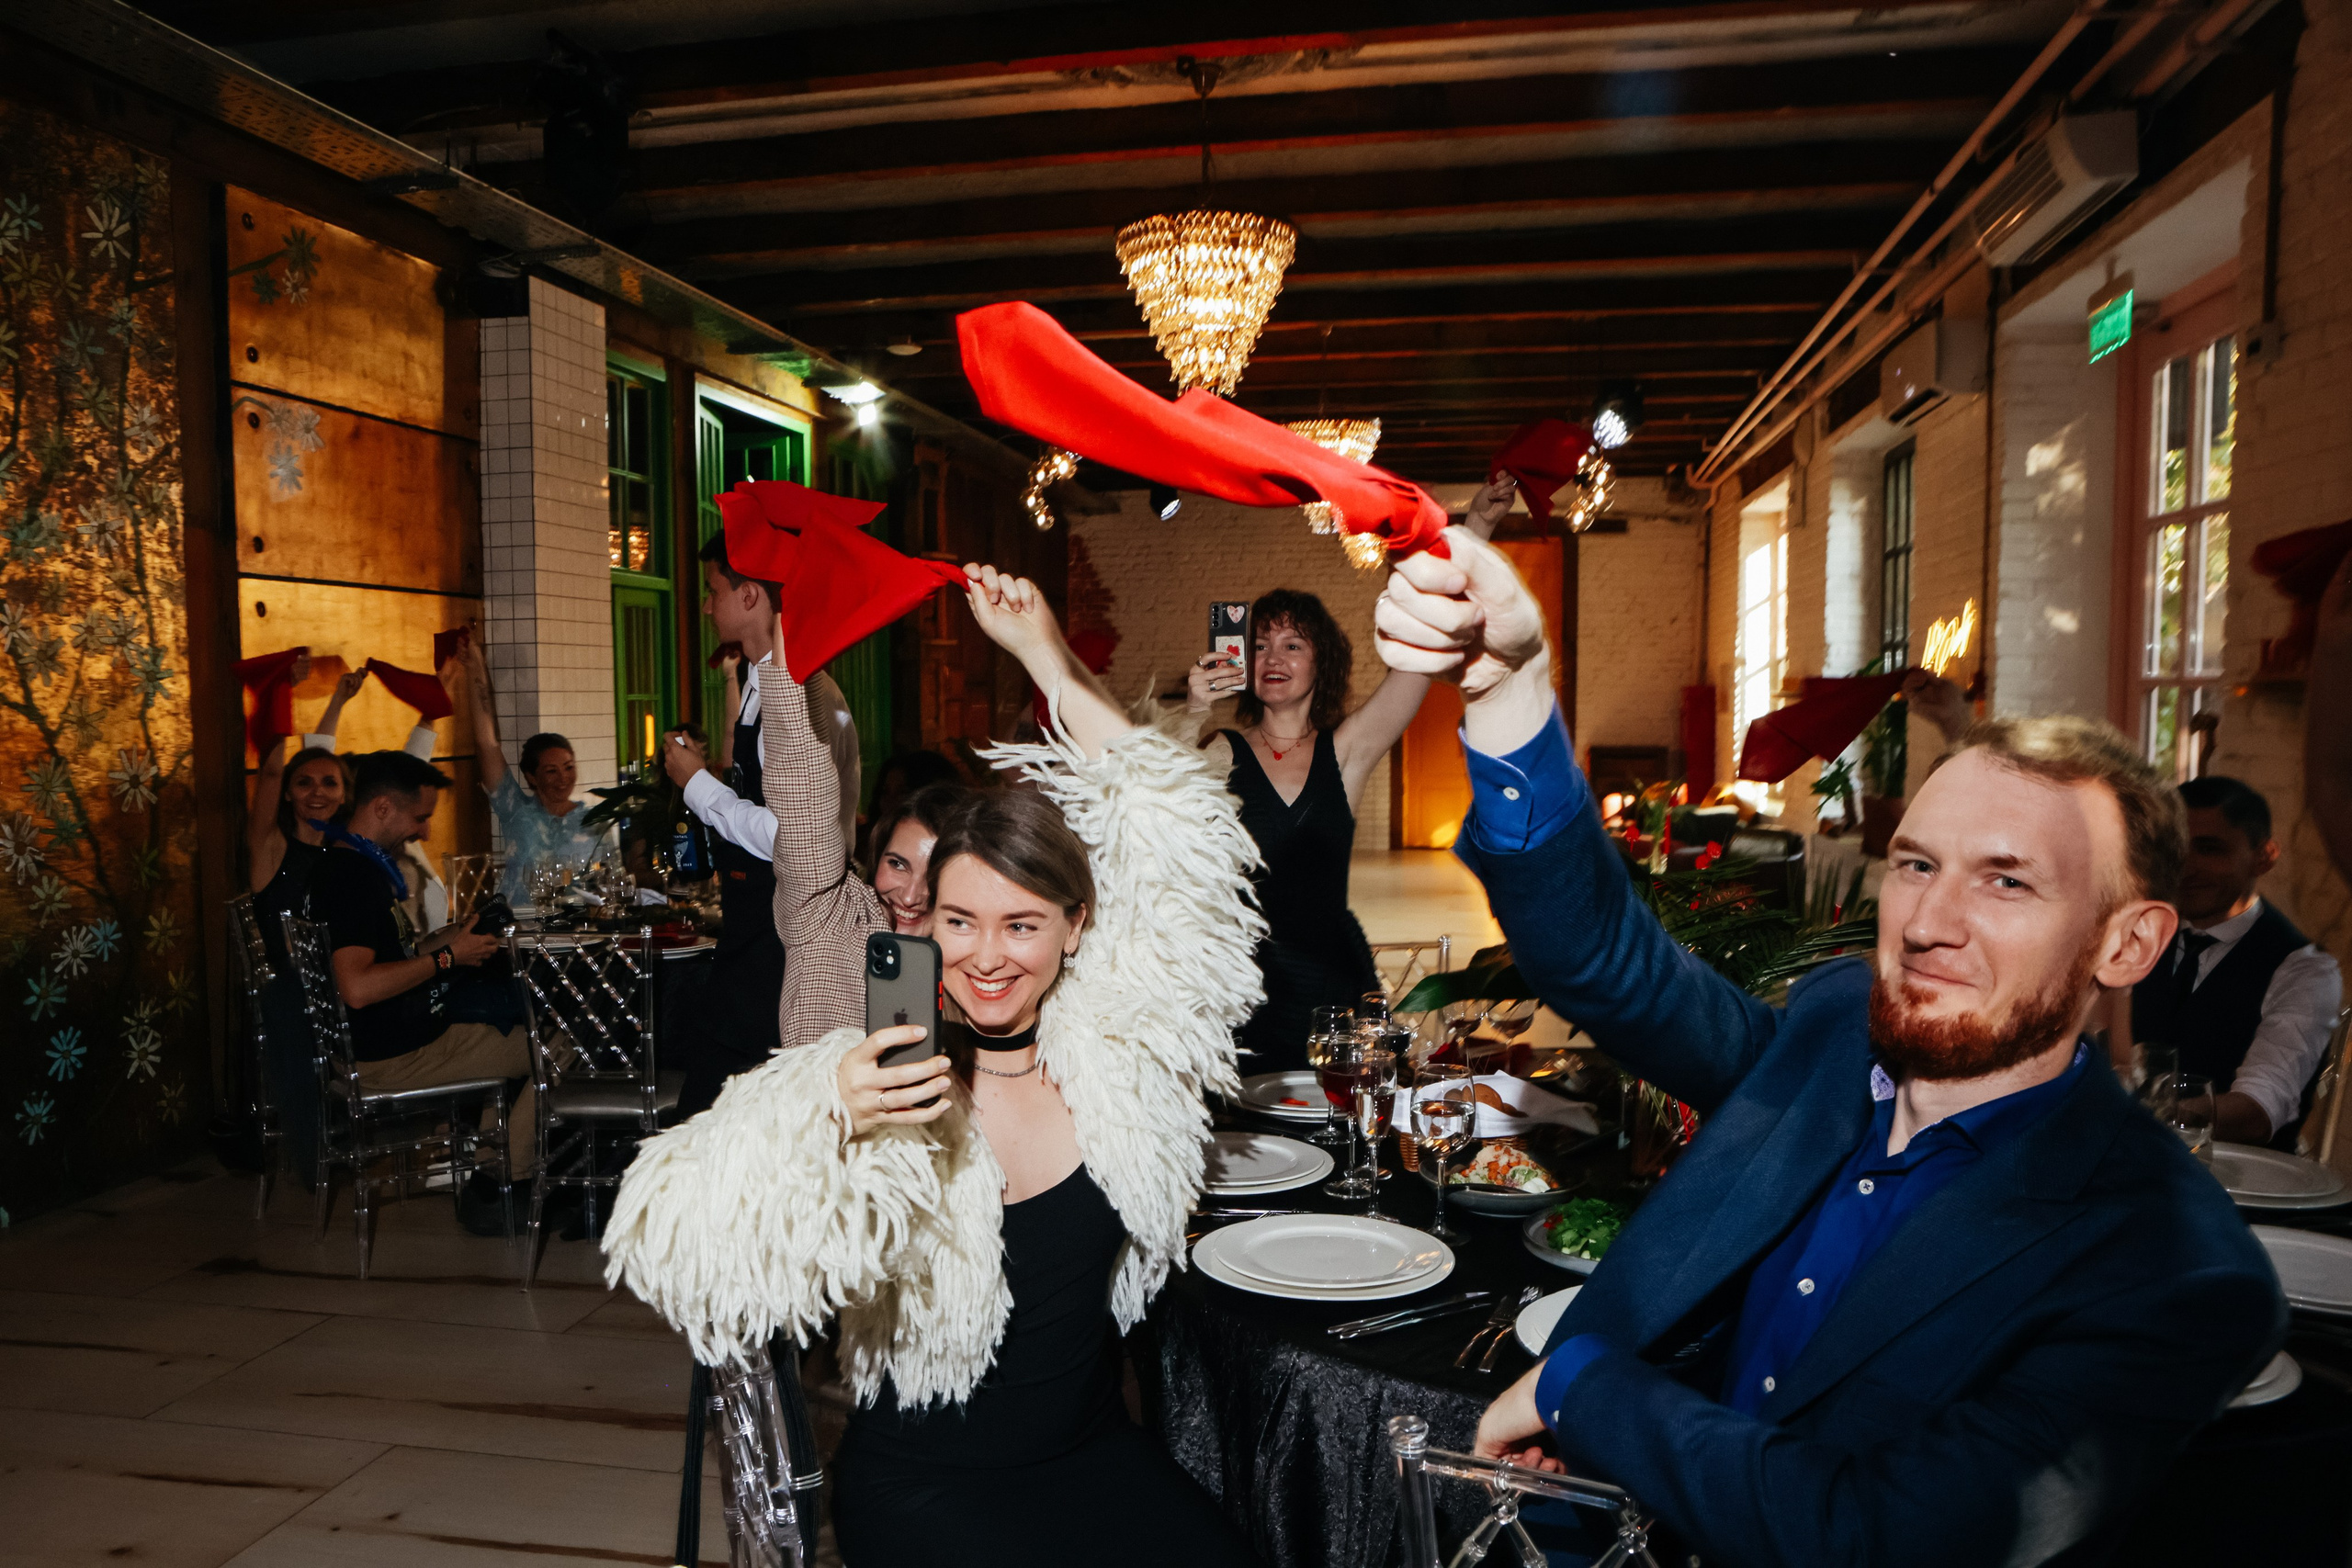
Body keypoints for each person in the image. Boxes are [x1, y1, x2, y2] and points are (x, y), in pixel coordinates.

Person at [1370, 525, 2283, 1566]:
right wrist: (1510, 688)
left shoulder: (2175, 1269)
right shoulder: (1832, 1031)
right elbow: (1600, 961)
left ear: (2127, 942)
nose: (1930, 920)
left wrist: (1590, 1394)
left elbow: (1882, 1536)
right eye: (1914, 864)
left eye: (2006, 880)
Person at [605, 566, 1266, 1568]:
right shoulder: (874, 1067)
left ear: (1077, 928)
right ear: (921, 922)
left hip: (1092, 1456)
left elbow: (1178, 827)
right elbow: (670, 1231)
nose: (988, 956)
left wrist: (1045, 651)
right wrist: (820, 1111)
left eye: (1022, 924)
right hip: (923, 1485)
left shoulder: (1118, 1050)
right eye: (959, 921)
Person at [661, 530, 866, 1117]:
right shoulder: (758, 684)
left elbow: (795, 837)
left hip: (790, 932)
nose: (705, 606)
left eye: (712, 590)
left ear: (750, 596)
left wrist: (697, 787)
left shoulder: (805, 692)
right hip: (755, 924)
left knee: (728, 1112)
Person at [311, 750, 535, 1232]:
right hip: (390, 1056)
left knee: (517, 1024)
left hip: (383, 1043)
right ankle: (501, 1187)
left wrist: (450, 939)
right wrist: (447, 959)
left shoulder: (345, 864)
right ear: (384, 808)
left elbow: (388, 959)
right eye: (421, 818)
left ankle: (490, 1172)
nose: (426, 832)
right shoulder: (354, 880)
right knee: (559, 1043)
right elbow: (358, 987)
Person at [2130, 775, 2343, 1149]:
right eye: (2177, 849)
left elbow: (2257, 1111)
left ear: (2265, 856)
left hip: (2241, 1190)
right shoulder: (2141, 935)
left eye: (2209, 849)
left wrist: (2138, 1117)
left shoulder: (2304, 970)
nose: (2187, 868)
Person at [455, 635, 609, 909]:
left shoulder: (594, 820)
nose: (563, 778)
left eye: (569, 767)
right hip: (519, 925)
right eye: (551, 771)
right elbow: (487, 744)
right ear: (531, 777)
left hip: (579, 929)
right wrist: (476, 667)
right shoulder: (517, 810)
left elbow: (611, 882)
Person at [861, 748, 962, 870]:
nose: (890, 802)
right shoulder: (868, 849)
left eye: (903, 793)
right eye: (885, 792)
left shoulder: (954, 857)